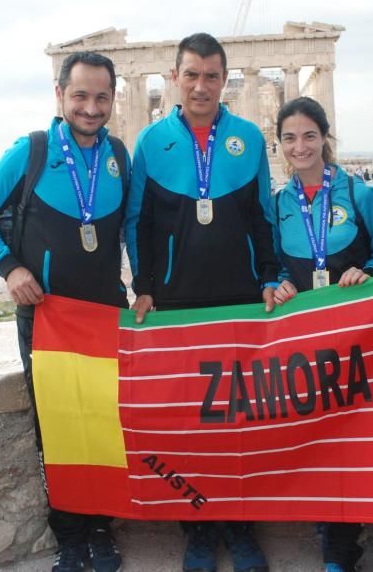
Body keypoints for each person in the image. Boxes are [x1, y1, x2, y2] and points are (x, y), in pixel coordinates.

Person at [0, 51, 128, 572]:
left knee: (106, 421)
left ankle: (101, 529)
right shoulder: (31, 151)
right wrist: (10, 268)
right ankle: (71, 537)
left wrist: (143, 285)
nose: (90, 106)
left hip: (104, 312)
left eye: (101, 96)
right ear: (59, 96)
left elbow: (129, 227)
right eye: (80, 95)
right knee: (56, 426)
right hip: (46, 316)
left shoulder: (119, 156)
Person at [125, 32, 278, 572]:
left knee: (241, 422)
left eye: (212, 75)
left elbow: (262, 214)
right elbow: (138, 221)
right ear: (174, 78)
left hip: (238, 301)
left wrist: (270, 276)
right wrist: (144, 286)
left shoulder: (248, 138)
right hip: (176, 303)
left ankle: (239, 528)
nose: (201, 85)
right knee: (188, 425)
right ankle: (197, 528)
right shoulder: (150, 142)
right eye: (191, 74)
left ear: (224, 79)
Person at [268, 97, 373, 572]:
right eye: (289, 137)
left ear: (325, 137)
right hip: (306, 343)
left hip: (359, 340)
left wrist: (369, 271)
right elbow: (275, 265)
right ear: (279, 144)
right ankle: (336, 548)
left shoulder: (357, 193)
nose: (299, 146)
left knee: (357, 438)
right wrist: (274, 281)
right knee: (317, 440)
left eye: (308, 135)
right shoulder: (279, 203)